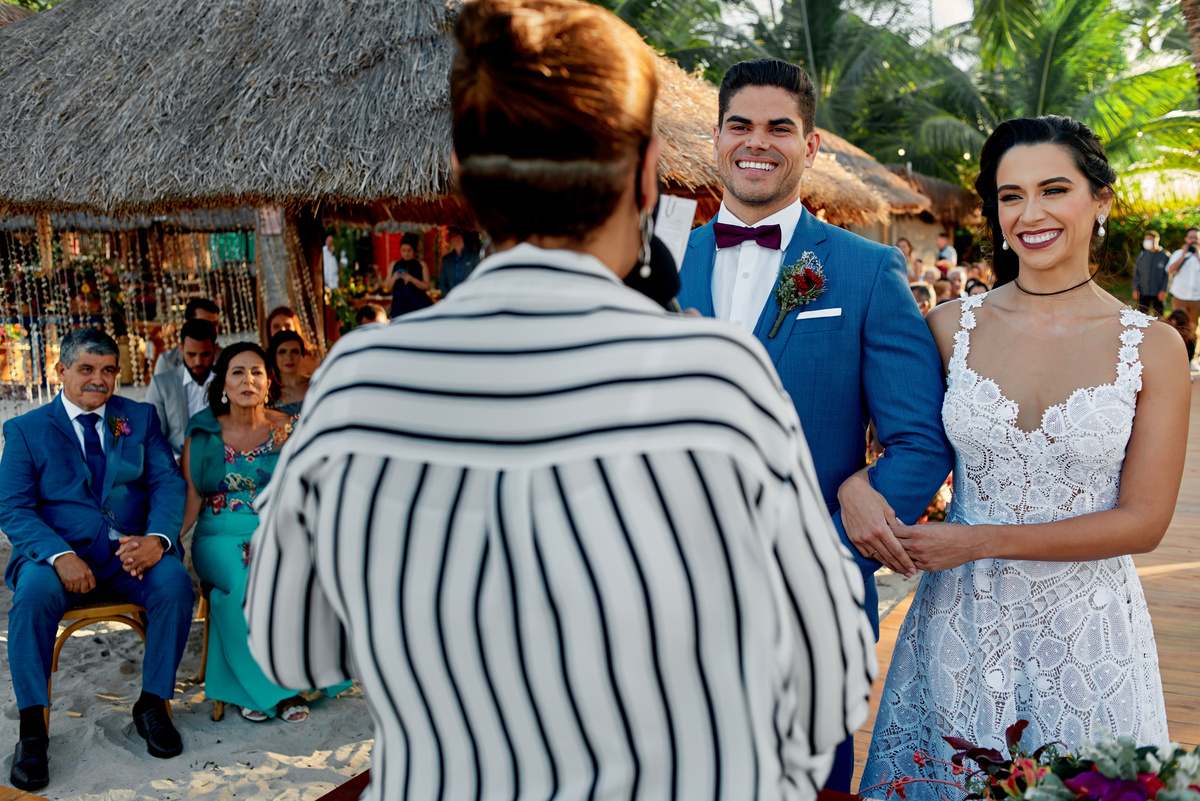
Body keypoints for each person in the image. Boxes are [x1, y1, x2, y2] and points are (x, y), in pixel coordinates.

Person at [245, 5, 875, 799]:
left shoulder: (357, 382)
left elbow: (292, 650)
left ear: (462, 172)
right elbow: (830, 680)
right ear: (645, 172)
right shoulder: (716, 381)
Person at [862, 116, 1189, 798]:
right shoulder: (948, 327)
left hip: (1089, 632)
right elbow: (898, 447)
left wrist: (981, 539)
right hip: (961, 619)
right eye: (1011, 196)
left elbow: (1144, 522)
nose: (1030, 214)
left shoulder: (1154, 347)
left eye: (1053, 190)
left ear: (1101, 200)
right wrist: (854, 487)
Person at [675, 56, 952, 792]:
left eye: (779, 128)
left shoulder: (865, 269)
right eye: (740, 125)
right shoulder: (654, 265)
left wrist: (826, 551)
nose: (756, 142)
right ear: (717, 137)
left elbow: (920, 441)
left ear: (811, 145)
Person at [0, 328, 193, 791]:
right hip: (56, 560)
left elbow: (167, 483)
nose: (98, 380)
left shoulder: (139, 417)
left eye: (108, 370)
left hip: (130, 556)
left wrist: (158, 539)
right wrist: (59, 555)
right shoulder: (25, 430)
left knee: (174, 583)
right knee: (31, 598)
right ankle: (33, 729)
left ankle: (152, 703)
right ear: (61, 371)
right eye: (86, 369)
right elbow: (14, 507)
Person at [181, 343, 348, 723]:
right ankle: (276, 692)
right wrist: (163, 541)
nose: (248, 380)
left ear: (268, 381)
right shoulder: (204, 431)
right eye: (238, 372)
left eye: (256, 372)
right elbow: (191, 496)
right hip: (220, 534)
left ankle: (286, 680)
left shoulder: (290, 428)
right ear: (223, 384)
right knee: (248, 582)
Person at [146, 318, 217, 459]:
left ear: (215, 349)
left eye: (205, 354)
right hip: (175, 464)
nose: (198, 362)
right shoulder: (161, 385)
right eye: (191, 354)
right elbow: (153, 438)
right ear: (181, 349)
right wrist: (177, 463)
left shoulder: (227, 382)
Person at [155, 298, 221, 375]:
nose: (212, 329)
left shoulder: (225, 357)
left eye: (215, 324)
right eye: (204, 323)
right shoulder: (168, 362)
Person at [384, 232, 433, 318]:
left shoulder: (421, 264)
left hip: (417, 304)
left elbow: (427, 286)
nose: (406, 254)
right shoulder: (394, 264)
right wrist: (394, 278)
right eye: (403, 250)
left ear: (414, 250)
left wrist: (411, 279)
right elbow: (387, 287)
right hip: (399, 305)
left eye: (409, 250)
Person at [265, 330, 310, 416]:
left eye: (295, 351)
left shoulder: (315, 384)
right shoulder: (266, 391)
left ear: (302, 355)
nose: (289, 357)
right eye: (282, 352)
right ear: (274, 356)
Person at [1167, 227, 1200, 339]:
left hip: (1197, 298)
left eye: (1196, 237)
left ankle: (1190, 348)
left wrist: (1197, 255)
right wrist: (1183, 256)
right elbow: (1170, 270)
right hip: (1179, 297)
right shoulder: (1178, 253)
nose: (1193, 240)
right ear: (1186, 239)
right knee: (1177, 326)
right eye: (1191, 237)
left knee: (1192, 327)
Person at [1132, 230, 1170, 316]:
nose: (1147, 241)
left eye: (1149, 239)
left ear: (1156, 240)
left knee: (1159, 315)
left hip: (1158, 292)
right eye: (1146, 239)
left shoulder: (1165, 256)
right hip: (1143, 291)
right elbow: (1136, 273)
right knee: (1142, 315)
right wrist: (1135, 289)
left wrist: (1164, 290)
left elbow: (1167, 275)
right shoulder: (1142, 255)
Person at [437, 225, 481, 294]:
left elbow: (478, 279)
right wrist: (450, 297)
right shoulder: (446, 259)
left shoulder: (474, 257)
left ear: (460, 236)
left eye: (451, 235)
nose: (449, 238)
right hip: (452, 297)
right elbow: (442, 283)